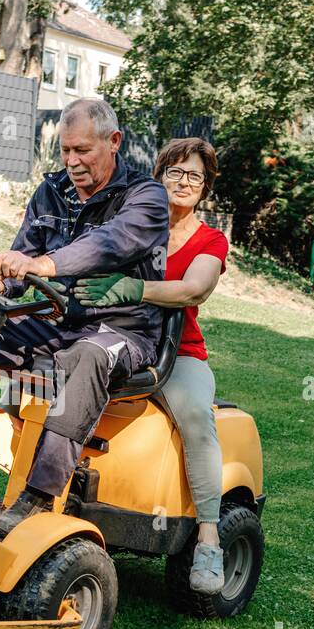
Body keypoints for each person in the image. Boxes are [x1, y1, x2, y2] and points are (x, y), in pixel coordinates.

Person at [0, 98, 169, 538]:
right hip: (58, 322)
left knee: (87, 357)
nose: (72, 162)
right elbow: (24, 260)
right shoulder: (50, 191)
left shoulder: (145, 197)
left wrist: (47, 266)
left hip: (121, 330)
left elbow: (110, 244)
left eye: (82, 151)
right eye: (65, 151)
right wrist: (1, 284)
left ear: (113, 142)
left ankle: (37, 497)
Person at [73, 138, 230, 594]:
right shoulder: (140, 223)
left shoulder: (210, 240)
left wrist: (132, 289)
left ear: (205, 188)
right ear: (159, 177)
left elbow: (192, 290)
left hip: (178, 353)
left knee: (198, 418)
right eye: (175, 173)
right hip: (120, 337)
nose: (184, 183)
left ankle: (208, 537)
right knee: (61, 375)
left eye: (194, 176)